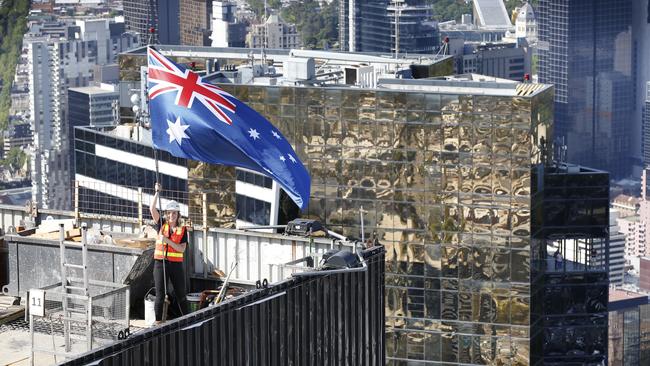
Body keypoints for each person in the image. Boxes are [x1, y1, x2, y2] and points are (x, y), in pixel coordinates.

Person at [150, 183, 188, 323]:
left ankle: (187, 319)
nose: (171, 215)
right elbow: (152, 208)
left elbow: (182, 249)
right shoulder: (161, 224)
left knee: (181, 295)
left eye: (174, 213)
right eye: (169, 213)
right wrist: (156, 192)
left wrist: (167, 240)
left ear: (178, 215)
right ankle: (158, 322)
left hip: (176, 265)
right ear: (166, 214)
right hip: (160, 264)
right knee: (160, 295)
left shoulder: (182, 230)